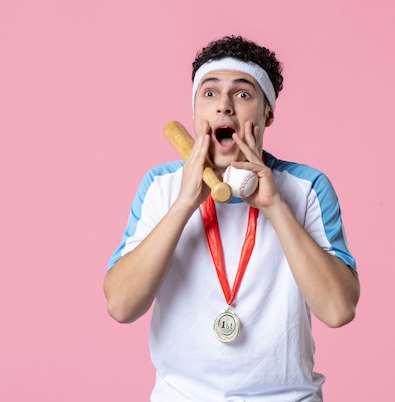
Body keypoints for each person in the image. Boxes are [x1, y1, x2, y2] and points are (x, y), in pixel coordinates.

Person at [104, 35, 360, 401]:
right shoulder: (161, 186)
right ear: (194, 113)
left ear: (266, 114)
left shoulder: (306, 188)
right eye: (209, 94)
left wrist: (274, 207)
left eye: (242, 94)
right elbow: (121, 305)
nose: (224, 106)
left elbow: (338, 310)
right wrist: (184, 205)